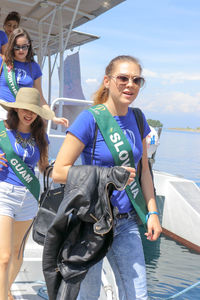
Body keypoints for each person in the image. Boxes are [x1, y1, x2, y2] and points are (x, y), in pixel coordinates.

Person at [52, 55, 162, 300]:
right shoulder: (90, 119)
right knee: (87, 295)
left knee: (137, 296)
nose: (130, 84)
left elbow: (144, 170)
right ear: (107, 81)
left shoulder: (138, 118)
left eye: (136, 80)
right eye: (123, 78)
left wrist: (152, 212)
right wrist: (107, 175)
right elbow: (58, 171)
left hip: (127, 222)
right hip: (91, 222)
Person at [0, 87, 54, 300]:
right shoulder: (2, 130)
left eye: (33, 109)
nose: (28, 113)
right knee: (4, 257)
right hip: (4, 194)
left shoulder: (41, 137)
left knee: (17, 254)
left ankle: (7, 289)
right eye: (24, 108)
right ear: (16, 109)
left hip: (29, 199)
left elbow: (44, 167)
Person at [0, 27, 69, 127]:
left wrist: (53, 117)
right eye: (17, 47)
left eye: (24, 47)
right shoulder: (3, 61)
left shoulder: (34, 67)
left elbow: (40, 97)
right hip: (2, 112)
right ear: (11, 46)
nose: (21, 50)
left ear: (29, 46)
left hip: (22, 116)